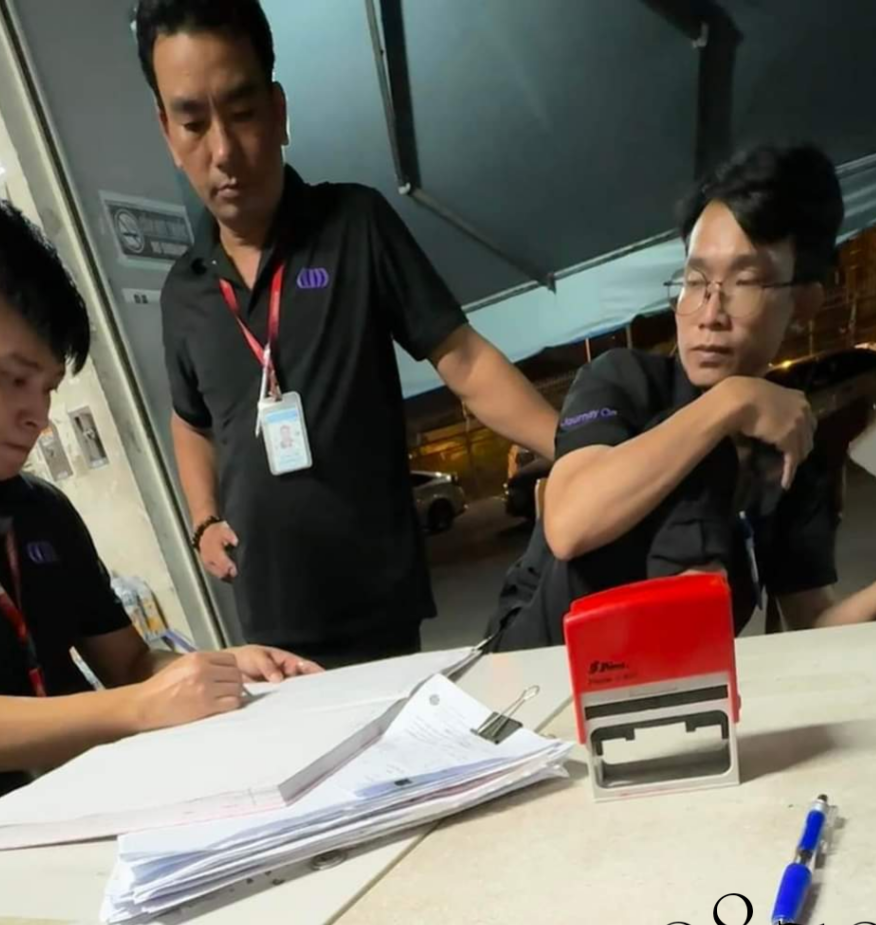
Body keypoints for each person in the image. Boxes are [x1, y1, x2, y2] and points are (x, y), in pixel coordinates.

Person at [134, 0, 559, 668]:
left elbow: (465, 360)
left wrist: (574, 447)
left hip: (376, 598)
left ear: (278, 111)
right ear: (166, 132)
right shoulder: (183, 292)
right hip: (268, 612)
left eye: (242, 113)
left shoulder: (355, 225)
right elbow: (190, 421)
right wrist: (203, 517)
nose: (222, 152)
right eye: (193, 123)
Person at [0, 165, 318, 832]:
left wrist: (216, 671)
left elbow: (132, 664)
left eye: (48, 390)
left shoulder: (40, 510)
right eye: (13, 379)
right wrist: (139, 709)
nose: (37, 417)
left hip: (98, 804)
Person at [487, 144, 876, 650]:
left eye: (745, 282)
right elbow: (570, 524)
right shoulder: (622, 379)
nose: (709, 313)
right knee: (703, 453)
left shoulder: (791, 446)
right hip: (537, 667)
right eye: (694, 281)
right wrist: (729, 403)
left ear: (804, 301)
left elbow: (813, 627)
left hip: (672, 682)